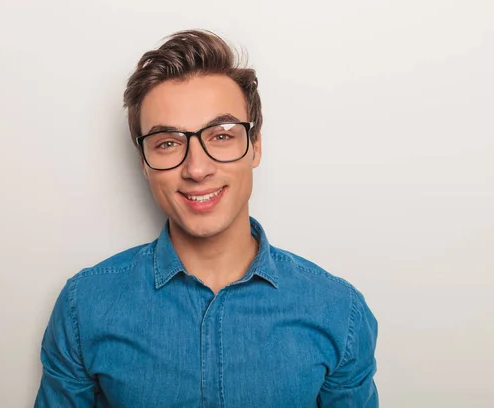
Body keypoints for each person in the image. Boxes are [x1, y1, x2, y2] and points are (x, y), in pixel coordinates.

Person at [34, 30, 378, 408]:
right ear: (145, 163)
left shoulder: (338, 311)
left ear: (255, 146)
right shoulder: (84, 307)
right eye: (168, 143)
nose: (197, 169)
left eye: (222, 136)